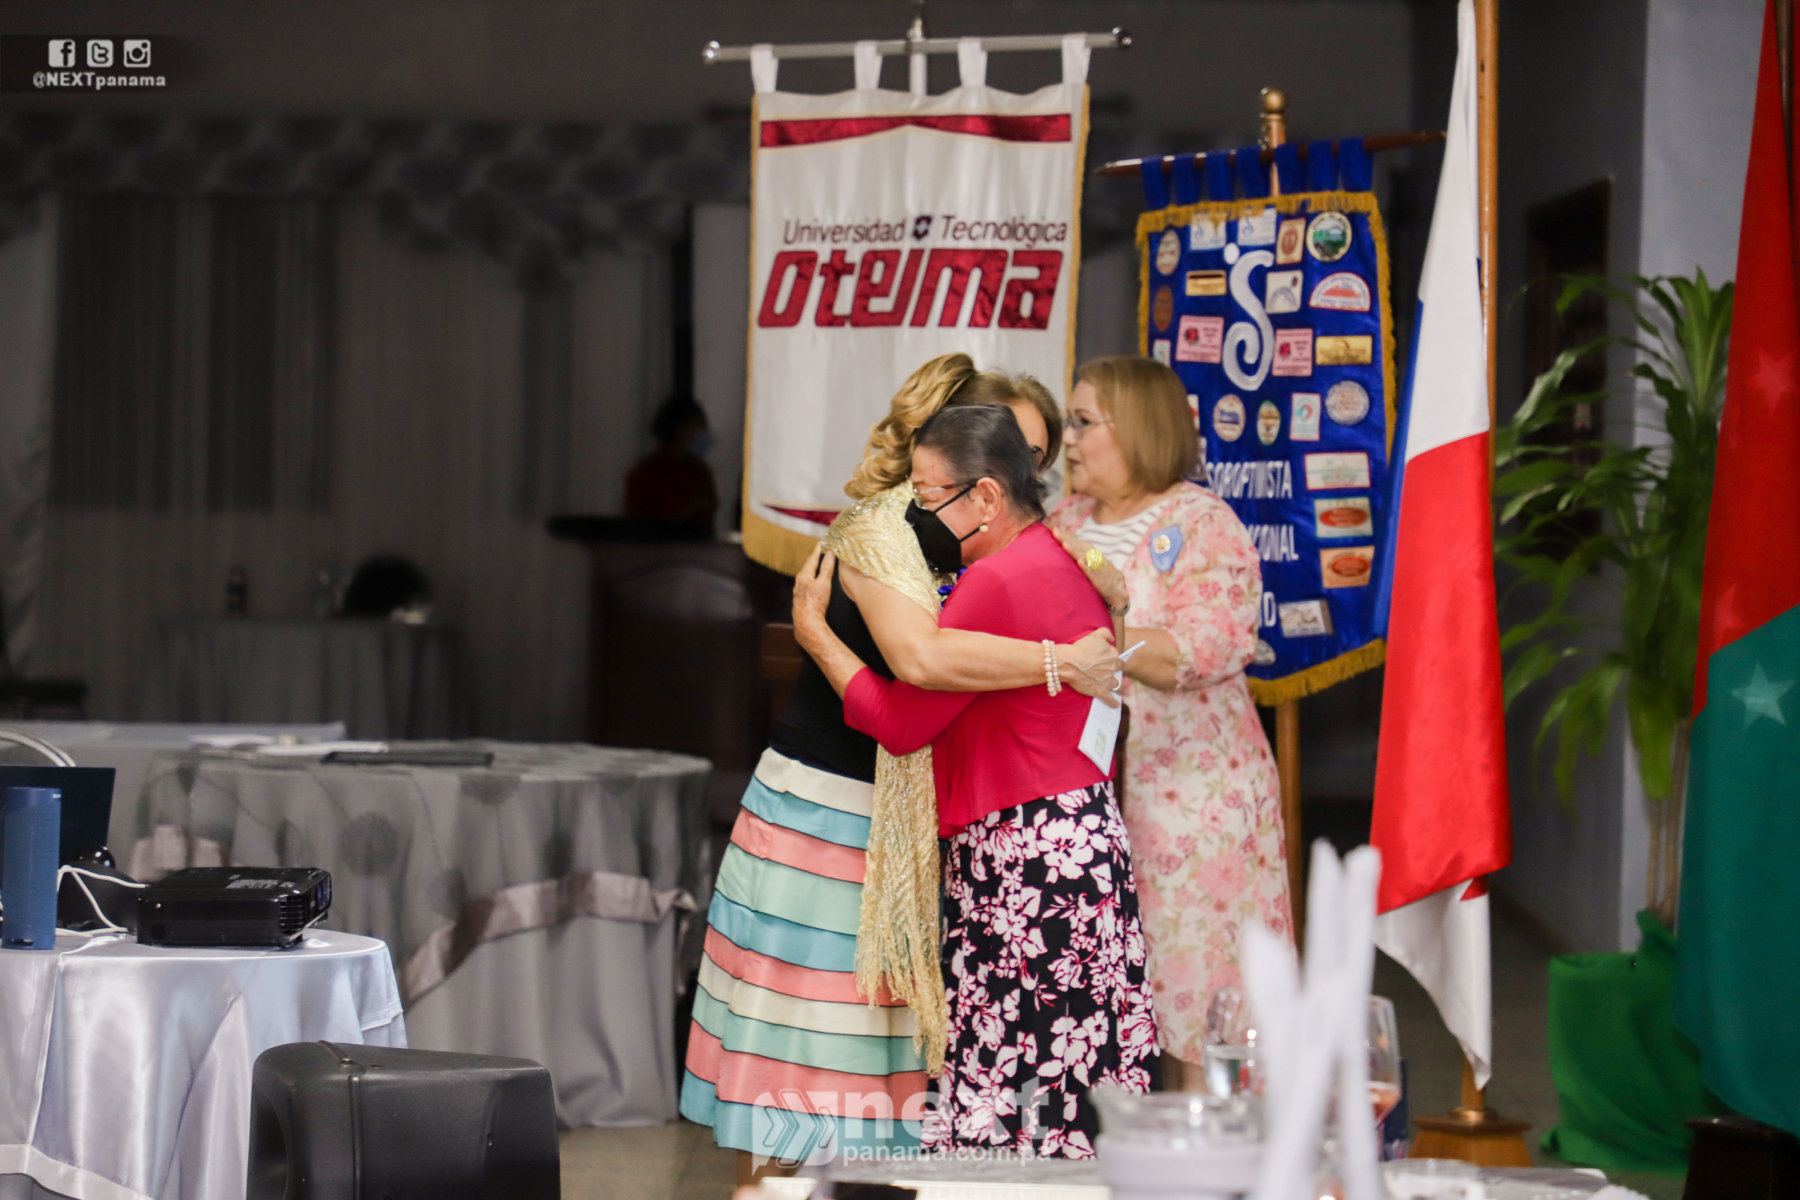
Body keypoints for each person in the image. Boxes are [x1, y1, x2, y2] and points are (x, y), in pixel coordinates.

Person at [679, 354, 1119, 1184]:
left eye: (1033, 459)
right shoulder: (883, 527)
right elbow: (921, 662)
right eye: (1006, 448)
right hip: (832, 814)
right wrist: (1061, 659)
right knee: (801, 1063)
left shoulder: (998, 545)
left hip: (917, 832)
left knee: (881, 1083)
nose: (1020, 477)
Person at [794, 404, 1157, 1159]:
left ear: (986, 496)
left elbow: (902, 721)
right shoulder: (1063, 558)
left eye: (930, 496)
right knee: (1077, 1090)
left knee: (1009, 1094)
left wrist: (819, 638)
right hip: (1084, 846)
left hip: (1024, 859)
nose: (919, 514)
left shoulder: (994, 581)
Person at [1044, 355, 1293, 1092]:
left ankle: (1217, 1149)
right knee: (1103, 1005)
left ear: (1138, 427)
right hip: (1084, 801)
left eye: (1083, 422)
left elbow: (1210, 647)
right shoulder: (1064, 524)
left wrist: (1097, 631)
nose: (1068, 439)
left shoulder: (1203, 523)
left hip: (1194, 804)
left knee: (1201, 1006)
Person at [624, 394, 719, 528]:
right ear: (680, 429)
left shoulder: (701, 472)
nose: (701, 434)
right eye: (697, 427)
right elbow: (641, 522)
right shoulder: (646, 473)